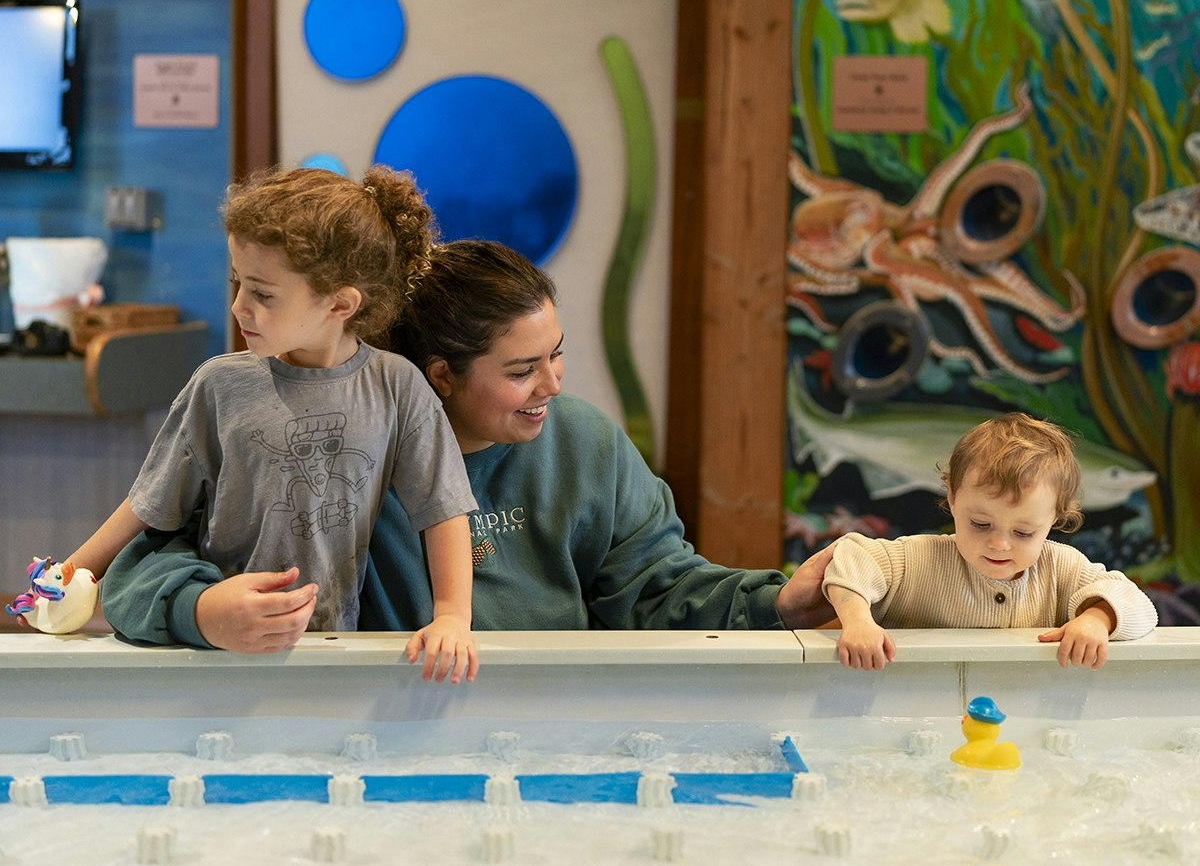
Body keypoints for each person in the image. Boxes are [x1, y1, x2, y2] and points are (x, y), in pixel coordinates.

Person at [99, 239, 836, 649]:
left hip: (553, 728)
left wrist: (780, 602)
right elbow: (135, 572)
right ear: (440, 378)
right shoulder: (337, 447)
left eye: (556, 354)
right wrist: (201, 611)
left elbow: (658, 586)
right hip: (387, 729)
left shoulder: (584, 442)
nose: (553, 384)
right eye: (521, 370)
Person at [73, 166, 479, 682]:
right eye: (238, 282)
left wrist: (452, 617)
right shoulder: (218, 385)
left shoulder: (396, 387)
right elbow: (148, 503)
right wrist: (73, 572)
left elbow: (443, 509)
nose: (239, 305)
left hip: (332, 648)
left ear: (340, 303)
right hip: (213, 642)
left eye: (263, 294)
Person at [822, 411, 1158, 672]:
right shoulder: (918, 559)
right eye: (981, 524)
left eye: (1023, 533)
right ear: (952, 498)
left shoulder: (1062, 568)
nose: (999, 544)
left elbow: (1137, 604)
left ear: (1054, 518)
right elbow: (852, 556)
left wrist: (1096, 620)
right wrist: (858, 621)